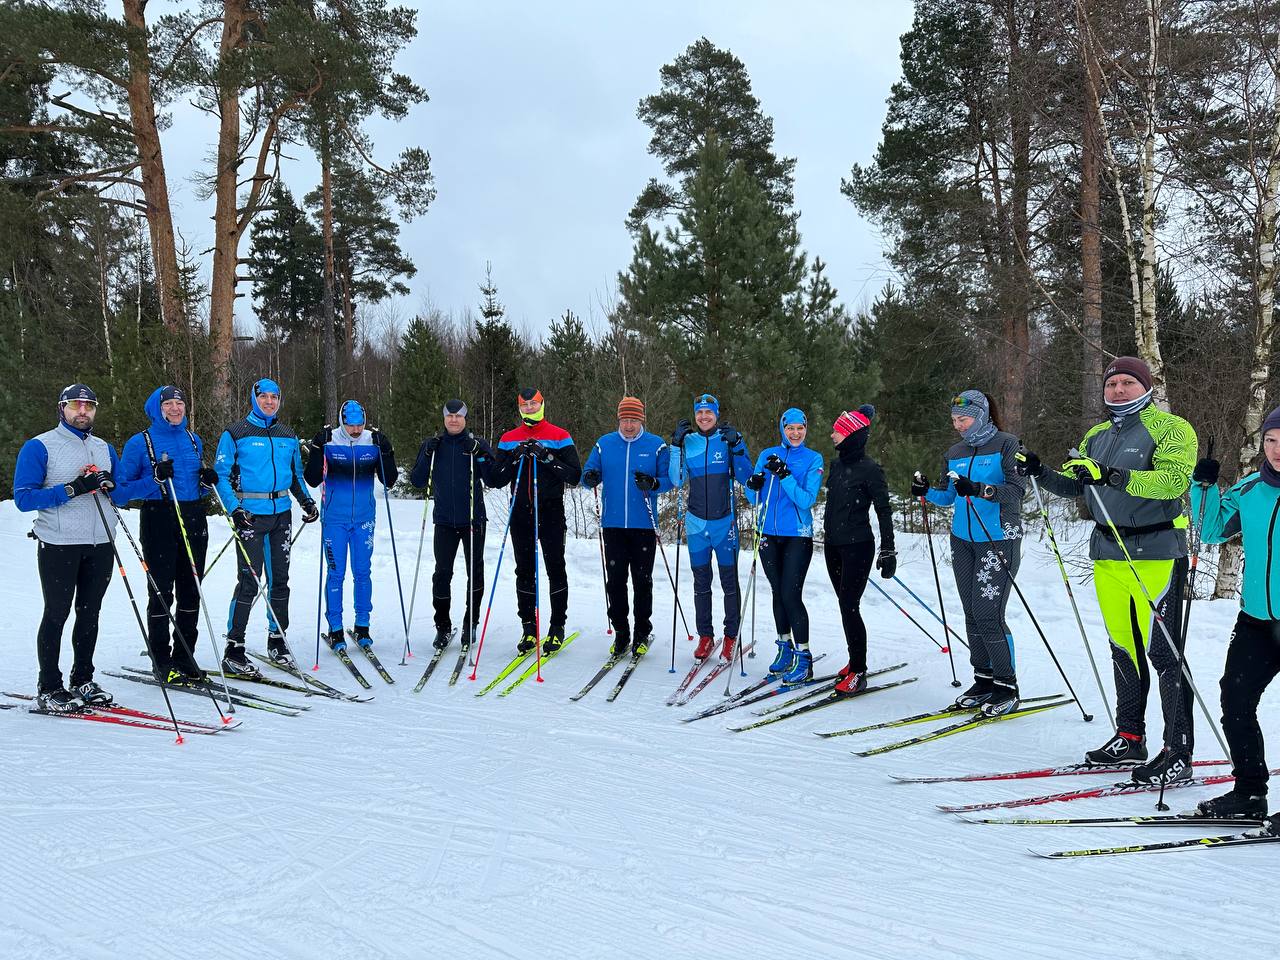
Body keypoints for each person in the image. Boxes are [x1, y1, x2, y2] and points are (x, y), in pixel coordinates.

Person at [1018, 356, 1197, 783]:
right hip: (1108, 555)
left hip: (1155, 552)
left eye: (1127, 383)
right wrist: (1040, 472)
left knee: (1163, 653)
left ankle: (1178, 750)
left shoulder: (1173, 429)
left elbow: (1172, 482)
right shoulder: (1097, 434)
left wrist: (1114, 475)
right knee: (1123, 648)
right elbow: (1076, 483)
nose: (1117, 390)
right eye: (1111, 383)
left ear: (1146, 387)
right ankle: (1130, 737)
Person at [1183, 407, 1280, 819]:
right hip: (1257, 620)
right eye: (1272, 440)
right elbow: (1209, 531)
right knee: (1236, 700)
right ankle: (1249, 792)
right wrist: (1202, 487)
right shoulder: (1249, 489)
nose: (1278, 450)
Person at [13, 384, 130, 711]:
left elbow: (121, 494)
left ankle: (83, 679)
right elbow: (23, 497)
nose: (83, 412)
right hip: (60, 544)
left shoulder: (104, 447)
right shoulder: (40, 446)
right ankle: (49, 686)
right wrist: (71, 488)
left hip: (102, 542)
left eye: (89, 406)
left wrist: (110, 484)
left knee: (90, 613)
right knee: (57, 612)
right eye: (76, 406)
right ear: (62, 408)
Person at [911, 389, 1025, 716]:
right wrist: (926, 492)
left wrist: (979, 489)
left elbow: (1017, 491)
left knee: (989, 614)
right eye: (954, 420)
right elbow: (949, 497)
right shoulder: (955, 452)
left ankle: (1006, 684)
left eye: (963, 419)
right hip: (962, 539)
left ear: (981, 415)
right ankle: (984, 679)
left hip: (998, 537)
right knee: (972, 613)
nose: (958, 425)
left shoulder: (1006, 444)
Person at [214, 378, 317, 674]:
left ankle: (277, 639)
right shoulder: (236, 432)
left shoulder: (287, 434)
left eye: (274, 397)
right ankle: (234, 648)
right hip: (250, 516)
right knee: (249, 581)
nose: (269, 402)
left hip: (281, 515)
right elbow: (221, 475)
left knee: (280, 581)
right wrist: (234, 509)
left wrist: (307, 503)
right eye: (264, 397)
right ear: (254, 398)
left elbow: (295, 475)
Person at [118, 385, 219, 682]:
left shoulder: (193, 439)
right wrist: (154, 479)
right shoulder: (141, 442)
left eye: (180, 403)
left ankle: (185, 656)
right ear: (156, 408)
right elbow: (121, 493)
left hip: (192, 515)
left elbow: (191, 483)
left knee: (192, 589)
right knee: (162, 591)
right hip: (159, 516)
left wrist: (206, 482)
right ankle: (161, 659)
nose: (175, 409)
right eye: (169, 404)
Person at [489, 388, 581, 654]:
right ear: (519, 408)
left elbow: (574, 476)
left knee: (555, 568)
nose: (529, 408)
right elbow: (496, 479)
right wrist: (514, 457)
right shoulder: (508, 438)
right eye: (524, 404)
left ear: (542, 404)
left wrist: (547, 457)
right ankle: (529, 628)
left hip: (550, 513)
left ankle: (556, 627)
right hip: (520, 513)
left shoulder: (559, 436)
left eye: (534, 403)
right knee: (525, 570)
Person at [580, 397, 672, 658]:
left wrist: (653, 483)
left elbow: (669, 480)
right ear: (618, 419)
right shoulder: (604, 443)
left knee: (642, 581)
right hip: (613, 525)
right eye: (625, 420)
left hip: (644, 525)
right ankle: (622, 633)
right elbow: (587, 474)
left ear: (641, 419)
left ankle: (642, 633)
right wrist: (590, 477)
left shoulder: (656, 445)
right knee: (616, 582)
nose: (629, 425)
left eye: (634, 420)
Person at [304, 399, 398, 652]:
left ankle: (362, 626)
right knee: (336, 573)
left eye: (359, 425)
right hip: (335, 518)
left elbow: (389, 481)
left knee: (362, 572)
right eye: (350, 425)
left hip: (364, 519)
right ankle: (335, 628)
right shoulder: (330, 440)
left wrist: (387, 451)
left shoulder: (371, 440)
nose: (355, 430)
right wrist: (316, 447)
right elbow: (312, 480)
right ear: (341, 422)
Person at [668, 393, 753, 663]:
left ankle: (731, 637)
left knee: (730, 583)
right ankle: (705, 637)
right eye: (700, 413)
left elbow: (745, 476)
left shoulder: (726, 440)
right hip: (695, 524)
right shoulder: (689, 441)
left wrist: (738, 446)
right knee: (701, 583)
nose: (704, 417)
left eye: (709, 412)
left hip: (724, 523)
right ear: (695, 415)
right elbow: (676, 478)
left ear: (716, 414)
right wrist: (674, 445)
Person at [743, 407, 824, 683]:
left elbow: (806, 500)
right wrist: (752, 485)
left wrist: (786, 475)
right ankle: (785, 648)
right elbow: (752, 498)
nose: (795, 433)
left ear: (805, 429)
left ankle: (804, 656)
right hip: (767, 533)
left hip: (797, 535)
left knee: (791, 594)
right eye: (790, 428)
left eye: (800, 428)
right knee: (778, 593)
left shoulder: (813, 459)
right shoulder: (767, 455)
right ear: (782, 429)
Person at [410, 398, 498, 650]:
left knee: (475, 573)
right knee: (441, 574)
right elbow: (417, 480)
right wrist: (427, 453)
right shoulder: (434, 445)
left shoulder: (477, 444)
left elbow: (492, 479)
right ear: (444, 419)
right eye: (450, 416)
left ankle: (471, 622)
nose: (454, 420)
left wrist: (480, 455)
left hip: (473, 520)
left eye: (459, 416)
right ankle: (443, 626)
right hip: (445, 521)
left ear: (465, 419)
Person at [821, 405, 896, 694]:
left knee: (850, 606)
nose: (832, 434)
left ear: (852, 435)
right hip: (833, 546)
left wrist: (888, 549)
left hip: (858, 547)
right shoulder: (837, 465)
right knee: (844, 605)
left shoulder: (870, 469)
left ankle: (858, 671)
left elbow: (884, 510)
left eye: (838, 430)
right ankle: (853, 660)